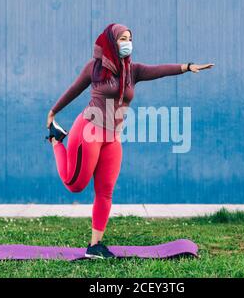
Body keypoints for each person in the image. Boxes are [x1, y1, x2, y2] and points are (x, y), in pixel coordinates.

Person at [45, 23, 214, 259]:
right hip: (88, 131)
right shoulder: (94, 68)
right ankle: (56, 140)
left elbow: (161, 69)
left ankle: (95, 245)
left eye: (129, 38)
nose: (127, 43)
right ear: (112, 42)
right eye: (122, 38)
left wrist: (187, 67)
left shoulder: (132, 71)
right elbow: (74, 90)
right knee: (75, 184)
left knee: (105, 191)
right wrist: (53, 111)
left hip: (112, 138)